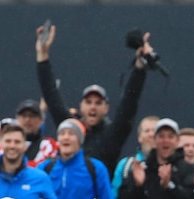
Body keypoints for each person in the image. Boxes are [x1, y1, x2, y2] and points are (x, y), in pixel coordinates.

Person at [35, 23, 154, 173]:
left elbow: (130, 101)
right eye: (89, 102)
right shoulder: (71, 128)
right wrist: (42, 56)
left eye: (98, 103)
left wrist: (139, 68)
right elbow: (52, 96)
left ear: (106, 109)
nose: (93, 107)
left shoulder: (113, 135)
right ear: (81, 106)